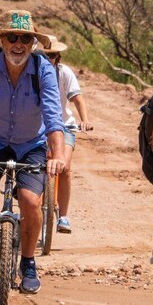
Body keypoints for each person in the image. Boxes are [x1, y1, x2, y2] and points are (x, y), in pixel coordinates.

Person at [0, 9, 66, 294]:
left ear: (33, 44)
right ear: (3, 41)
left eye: (26, 39)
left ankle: (28, 262)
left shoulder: (43, 71)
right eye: (13, 38)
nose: (19, 44)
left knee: (30, 200)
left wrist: (59, 157)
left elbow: (54, 119)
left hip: (31, 144)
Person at [42, 35, 93, 233]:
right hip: (38, 129)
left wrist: (84, 119)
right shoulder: (31, 73)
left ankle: (63, 215)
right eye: (45, 56)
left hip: (64, 127)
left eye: (53, 56)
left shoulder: (64, 73)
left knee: (65, 166)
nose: (49, 60)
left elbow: (77, 99)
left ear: (58, 57)